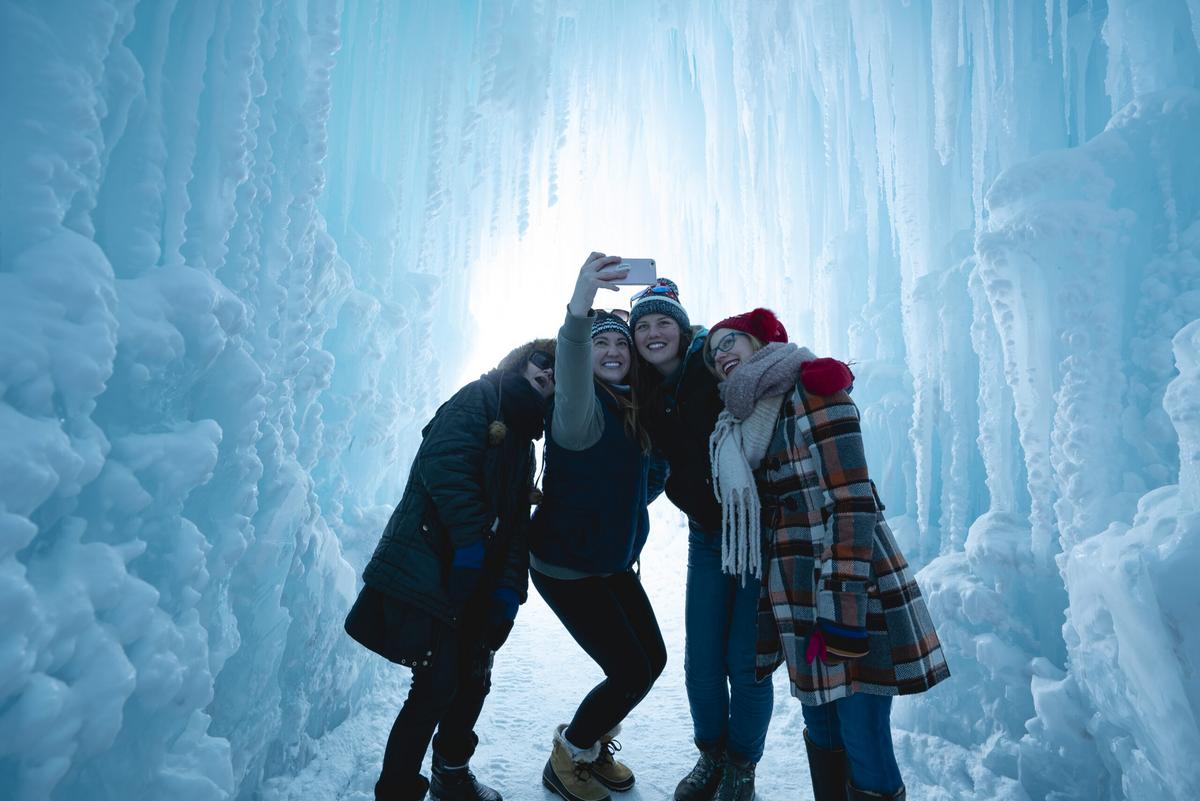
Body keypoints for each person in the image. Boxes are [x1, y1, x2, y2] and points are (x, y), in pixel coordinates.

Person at [705, 308, 951, 801]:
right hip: (795, 592)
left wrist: (842, 610)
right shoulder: (739, 423)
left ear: (762, 343)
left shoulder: (814, 386)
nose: (722, 354)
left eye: (732, 341)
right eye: (714, 353)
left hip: (849, 584)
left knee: (862, 734)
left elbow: (852, 499)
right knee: (821, 727)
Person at [629, 279, 843, 801]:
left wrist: (818, 373)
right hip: (707, 537)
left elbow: (777, 365)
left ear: (683, 329)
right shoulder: (644, 392)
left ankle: (742, 768)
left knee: (745, 663)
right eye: (643, 327)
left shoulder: (716, 368)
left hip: (759, 535)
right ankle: (712, 756)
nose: (654, 334)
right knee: (701, 660)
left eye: (664, 323)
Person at [345, 339, 556, 801]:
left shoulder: (524, 442)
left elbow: (517, 525)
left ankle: (451, 775)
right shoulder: (479, 398)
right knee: (436, 684)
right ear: (519, 362)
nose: (549, 372)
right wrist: (469, 544)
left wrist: (508, 590)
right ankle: (397, 790)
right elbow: (443, 465)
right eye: (542, 361)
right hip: (434, 563)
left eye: (558, 371)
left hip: (475, 579)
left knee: (473, 678)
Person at [530, 253, 668, 801]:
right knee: (631, 671)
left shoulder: (630, 410)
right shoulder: (577, 411)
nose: (612, 351)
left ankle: (590, 744)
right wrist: (583, 296)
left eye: (621, 344)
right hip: (567, 568)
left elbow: (643, 480)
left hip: (607, 562)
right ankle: (569, 755)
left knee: (650, 661)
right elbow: (571, 350)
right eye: (602, 344)